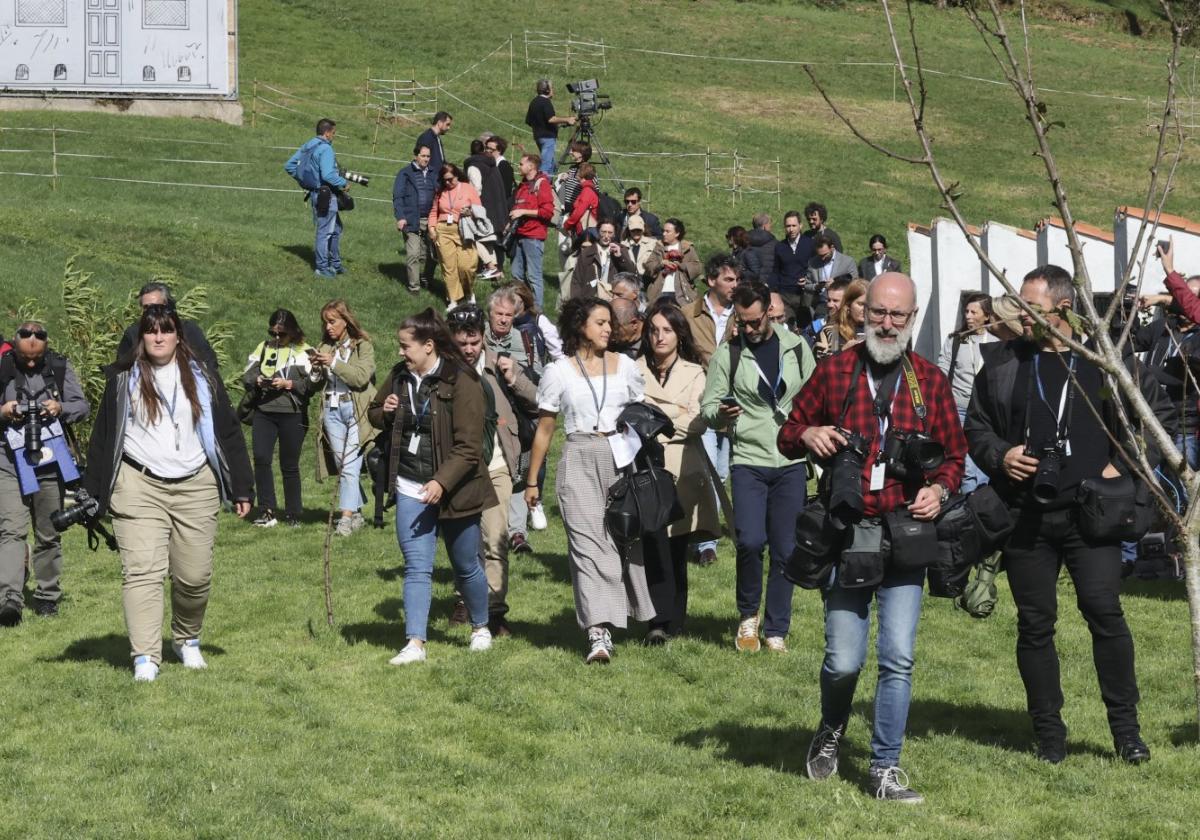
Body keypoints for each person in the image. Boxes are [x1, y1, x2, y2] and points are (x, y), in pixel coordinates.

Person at [964, 265, 1172, 766]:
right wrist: (1001, 456)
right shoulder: (1005, 362)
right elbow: (978, 427)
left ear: (1060, 308)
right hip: (1026, 517)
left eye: (1030, 306)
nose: (1020, 316)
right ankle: (1049, 736)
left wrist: (1119, 465)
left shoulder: (1103, 363)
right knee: (1035, 626)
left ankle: (1126, 732)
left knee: (1105, 614)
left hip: (1091, 517)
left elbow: (1154, 419)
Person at [779, 272, 965, 803]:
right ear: (862, 314)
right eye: (877, 313)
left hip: (906, 532)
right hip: (846, 532)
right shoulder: (835, 372)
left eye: (897, 315)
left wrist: (939, 490)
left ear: (913, 319)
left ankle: (885, 765)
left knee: (899, 657)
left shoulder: (928, 380)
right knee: (842, 659)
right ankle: (832, 727)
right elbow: (788, 431)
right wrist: (808, 433)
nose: (886, 323)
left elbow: (954, 456)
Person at [83, 305, 252, 681]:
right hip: (138, 483)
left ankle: (186, 639)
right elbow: (102, 440)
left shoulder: (202, 376)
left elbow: (227, 431)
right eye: (151, 331)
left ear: (179, 335)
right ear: (141, 337)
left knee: (194, 576)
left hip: (195, 484)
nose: (158, 337)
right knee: (142, 572)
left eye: (166, 330)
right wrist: (92, 494)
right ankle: (145, 657)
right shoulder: (122, 380)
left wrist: (242, 485)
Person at [525, 297, 653, 663]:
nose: (608, 329)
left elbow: (640, 414)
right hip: (578, 457)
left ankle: (618, 615)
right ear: (580, 326)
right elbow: (546, 430)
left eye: (609, 323)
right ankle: (598, 634)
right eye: (600, 322)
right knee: (587, 547)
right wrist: (532, 481)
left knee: (619, 543)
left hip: (619, 459)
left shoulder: (626, 366)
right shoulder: (559, 372)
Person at [368, 309, 496, 664]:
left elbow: (470, 448)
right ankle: (415, 643)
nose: (399, 352)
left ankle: (481, 627)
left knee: (465, 565)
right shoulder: (399, 377)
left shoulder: (463, 381)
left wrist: (442, 480)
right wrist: (387, 410)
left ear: (428, 346)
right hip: (411, 485)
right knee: (416, 566)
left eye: (404, 346)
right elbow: (375, 412)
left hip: (457, 489)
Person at [700, 281, 816, 653]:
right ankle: (748, 616)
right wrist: (721, 414)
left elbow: (816, 395)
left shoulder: (797, 348)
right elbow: (707, 407)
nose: (748, 329)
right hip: (748, 458)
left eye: (754, 322)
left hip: (791, 459)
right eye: (742, 322)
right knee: (750, 541)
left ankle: (776, 628)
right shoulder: (729, 354)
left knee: (786, 548)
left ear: (769, 310)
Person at [447, 305, 538, 638]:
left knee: (495, 539)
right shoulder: (443, 372)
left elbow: (538, 402)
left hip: (496, 466)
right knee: (463, 542)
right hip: (457, 470)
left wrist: (515, 378)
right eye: (462, 343)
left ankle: (495, 610)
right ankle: (464, 600)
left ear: (482, 337)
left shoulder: (498, 366)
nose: (469, 349)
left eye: (473, 341)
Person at [637, 302, 720, 642]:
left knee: (676, 548)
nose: (660, 336)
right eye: (654, 329)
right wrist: (674, 414)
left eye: (667, 330)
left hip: (683, 469)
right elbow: (629, 416)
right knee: (653, 545)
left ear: (679, 334)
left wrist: (655, 419)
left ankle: (675, 618)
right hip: (646, 468)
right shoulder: (633, 369)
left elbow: (699, 420)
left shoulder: (694, 372)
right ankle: (658, 620)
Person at [0, 321, 89, 624]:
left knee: (49, 532)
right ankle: (9, 599)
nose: (31, 362)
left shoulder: (59, 367)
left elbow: (82, 406)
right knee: (11, 530)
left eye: (37, 358)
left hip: (50, 459)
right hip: (9, 459)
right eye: (26, 359)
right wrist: (3, 411)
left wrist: (60, 408)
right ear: (15, 348)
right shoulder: (2, 367)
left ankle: (47, 595)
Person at [684, 254, 740, 566]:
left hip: (732, 404)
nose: (735, 285)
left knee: (721, 471)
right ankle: (705, 542)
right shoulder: (689, 314)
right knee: (705, 473)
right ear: (712, 281)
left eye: (737, 280)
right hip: (699, 401)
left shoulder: (743, 316)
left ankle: (701, 535)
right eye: (729, 279)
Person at [309, 300, 377, 537]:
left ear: (346, 321)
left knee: (349, 465)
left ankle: (345, 519)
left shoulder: (363, 346)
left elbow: (360, 378)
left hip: (356, 410)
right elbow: (315, 383)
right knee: (342, 464)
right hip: (331, 409)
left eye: (332, 321)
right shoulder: (325, 346)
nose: (328, 327)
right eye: (325, 322)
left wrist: (334, 363)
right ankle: (357, 512)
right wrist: (316, 369)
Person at [242, 309, 314, 528]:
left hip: (292, 414)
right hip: (264, 411)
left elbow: (313, 385)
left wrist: (289, 384)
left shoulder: (305, 351)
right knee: (262, 459)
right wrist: (258, 380)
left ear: (292, 331)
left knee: (289, 465)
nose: (276, 338)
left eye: (281, 334)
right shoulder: (264, 348)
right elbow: (247, 375)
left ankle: (293, 513)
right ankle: (266, 510)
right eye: (272, 333)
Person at [937, 293, 995, 492]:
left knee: (983, 463)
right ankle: (969, 503)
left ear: (986, 316)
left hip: (985, 413)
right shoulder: (955, 340)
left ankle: (983, 504)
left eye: (974, 312)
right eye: (966, 311)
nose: (968, 316)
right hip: (959, 409)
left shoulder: (996, 342)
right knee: (967, 464)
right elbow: (942, 370)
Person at [284, 118, 350, 278]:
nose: (334, 136)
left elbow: (290, 166)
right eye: (333, 133)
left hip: (315, 193)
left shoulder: (309, 144)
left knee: (336, 229)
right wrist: (343, 183)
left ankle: (335, 264)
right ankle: (322, 268)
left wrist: (307, 182)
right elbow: (328, 174)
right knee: (325, 231)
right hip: (326, 195)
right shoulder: (326, 149)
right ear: (327, 133)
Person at [117, 282, 218, 374]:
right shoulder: (133, 333)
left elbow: (209, 363)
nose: (152, 311)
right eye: (146, 308)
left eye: (156, 306)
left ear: (167, 305)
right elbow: (121, 371)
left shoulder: (189, 330)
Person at [428, 163, 484, 310]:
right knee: (449, 267)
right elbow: (434, 211)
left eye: (450, 179)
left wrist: (470, 212)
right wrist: (432, 229)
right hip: (443, 231)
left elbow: (480, 210)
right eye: (444, 180)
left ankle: (469, 291)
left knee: (466, 266)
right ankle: (453, 299)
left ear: (457, 175)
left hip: (463, 231)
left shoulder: (468, 189)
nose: (447, 182)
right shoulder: (440, 192)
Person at [509, 153, 555, 309]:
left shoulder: (542, 184)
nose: (519, 166)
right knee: (516, 274)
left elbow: (548, 212)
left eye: (521, 164)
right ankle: (521, 306)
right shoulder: (523, 185)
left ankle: (537, 311)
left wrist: (522, 212)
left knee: (534, 276)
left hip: (533, 236)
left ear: (531, 166)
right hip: (519, 234)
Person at [392, 144, 438, 293]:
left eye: (428, 156)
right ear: (416, 156)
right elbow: (397, 197)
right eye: (423, 156)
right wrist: (400, 217)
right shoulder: (405, 173)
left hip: (431, 220)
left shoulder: (433, 173)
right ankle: (414, 287)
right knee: (413, 254)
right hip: (412, 218)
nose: (426, 159)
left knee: (431, 254)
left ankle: (427, 278)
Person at [463, 138, 507, 281]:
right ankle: (495, 270)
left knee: (472, 237)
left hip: (483, 209)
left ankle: (491, 266)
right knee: (487, 240)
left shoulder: (473, 166)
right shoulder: (491, 165)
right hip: (497, 209)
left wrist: (468, 206)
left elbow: (476, 190)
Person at [569, 219, 636, 301]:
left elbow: (631, 273)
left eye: (610, 233)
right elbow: (577, 280)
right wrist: (576, 303)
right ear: (598, 232)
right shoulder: (587, 252)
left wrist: (620, 257)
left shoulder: (622, 250)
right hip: (590, 298)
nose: (606, 236)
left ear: (614, 234)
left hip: (613, 298)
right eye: (603, 232)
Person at [769, 210, 816, 327]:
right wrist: (772, 291)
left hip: (804, 295)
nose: (791, 229)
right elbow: (776, 270)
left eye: (794, 225)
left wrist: (808, 279)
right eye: (788, 226)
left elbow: (816, 267)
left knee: (805, 328)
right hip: (785, 293)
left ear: (800, 226)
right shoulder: (780, 246)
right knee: (787, 327)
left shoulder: (810, 244)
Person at [525, 80, 576, 175]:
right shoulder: (545, 102)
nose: (553, 90)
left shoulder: (534, 102)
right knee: (546, 164)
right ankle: (542, 184)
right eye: (551, 88)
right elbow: (551, 119)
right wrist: (567, 119)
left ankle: (549, 184)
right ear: (547, 90)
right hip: (547, 138)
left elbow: (529, 121)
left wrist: (541, 126)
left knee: (551, 164)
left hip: (538, 136)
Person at [645, 218, 702, 304]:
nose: (664, 234)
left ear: (677, 233)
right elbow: (649, 265)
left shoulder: (687, 248)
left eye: (668, 231)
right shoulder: (659, 247)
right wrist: (661, 263)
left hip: (681, 292)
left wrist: (681, 265)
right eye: (663, 231)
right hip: (659, 292)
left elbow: (697, 267)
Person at [815, 278, 867, 359]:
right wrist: (843, 351)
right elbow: (824, 365)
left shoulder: (878, 330)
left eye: (869, 304)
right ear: (848, 304)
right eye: (861, 304)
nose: (865, 309)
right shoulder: (834, 332)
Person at [620, 215, 660, 284]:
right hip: (629, 282)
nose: (636, 232)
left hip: (647, 281)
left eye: (638, 230)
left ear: (643, 229)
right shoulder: (623, 245)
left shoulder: (653, 243)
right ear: (629, 230)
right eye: (633, 230)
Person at [417, 111, 452, 176]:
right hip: (430, 180)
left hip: (438, 179)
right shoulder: (426, 138)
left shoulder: (437, 138)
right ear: (439, 123)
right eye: (447, 124)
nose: (448, 128)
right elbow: (420, 161)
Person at [747, 213, 777, 282]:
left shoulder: (743, 241)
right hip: (768, 284)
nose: (771, 228)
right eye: (770, 225)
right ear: (765, 226)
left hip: (749, 284)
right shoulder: (776, 244)